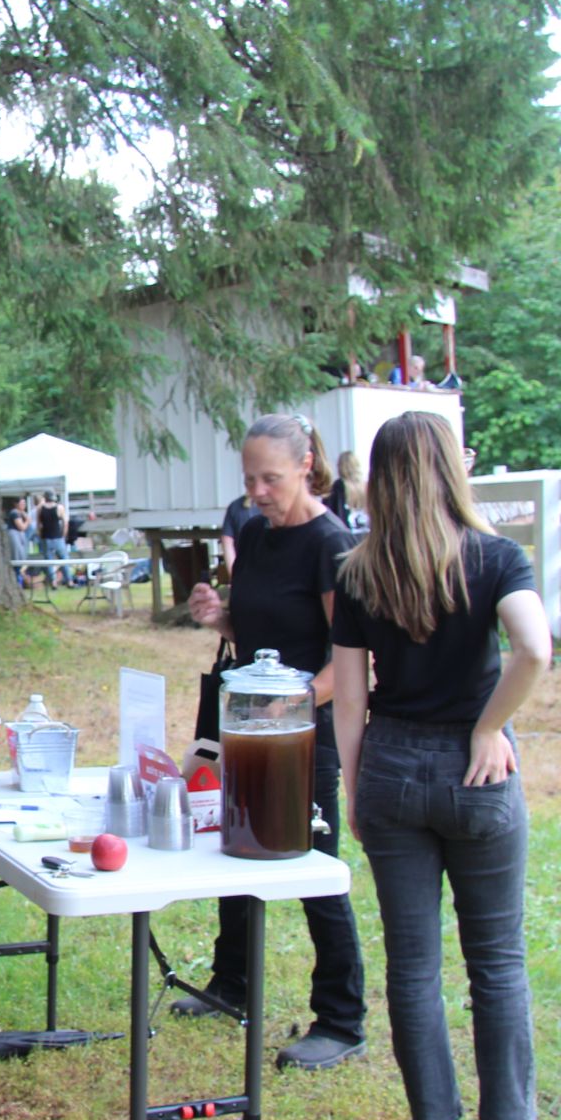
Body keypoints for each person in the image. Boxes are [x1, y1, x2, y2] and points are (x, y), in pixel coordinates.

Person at [331, 410, 561, 1120]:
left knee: (412, 964)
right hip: (481, 772)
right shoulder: (498, 557)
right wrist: (488, 726)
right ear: (452, 468)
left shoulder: (359, 570)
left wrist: (354, 788)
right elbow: (535, 649)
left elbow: (346, 695)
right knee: (497, 957)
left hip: (391, 764)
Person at [179, 415, 368, 1073]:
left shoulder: (331, 544)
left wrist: (284, 706)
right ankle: (231, 983)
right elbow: (259, 628)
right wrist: (219, 615)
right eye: (249, 479)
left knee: (313, 866)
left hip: (302, 736)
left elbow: (349, 662)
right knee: (237, 845)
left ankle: (342, 1018)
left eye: (271, 478)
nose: (256, 492)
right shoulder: (255, 536)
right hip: (246, 727)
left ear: (308, 465)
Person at [35, 489, 69, 587]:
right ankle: (69, 580)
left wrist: (40, 535)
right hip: (58, 537)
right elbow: (65, 522)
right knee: (64, 559)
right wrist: (64, 535)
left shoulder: (40, 508)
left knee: (49, 561)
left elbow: (38, 525)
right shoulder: (59, 508)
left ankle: (53, 582)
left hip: (46, 537)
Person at [218, 493, 255, 579]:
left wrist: (235, 577)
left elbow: (227, 542)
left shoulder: (235, 507)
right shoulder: (278, 504)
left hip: (245, 575)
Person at [327, 451, 367, 531]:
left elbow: (328, 514)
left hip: (346, 537)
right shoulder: (366, 486)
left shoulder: (339, 486)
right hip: (366, 536)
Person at [5, 496, 32, 584]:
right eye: (21, 503)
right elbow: (22, 527)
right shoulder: (14, 513)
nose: (23, 505)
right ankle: (17, 580)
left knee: (22, 556)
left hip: (20, 537)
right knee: (17, 556)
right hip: (14, 536)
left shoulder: (21, 513)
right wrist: (27, 521)